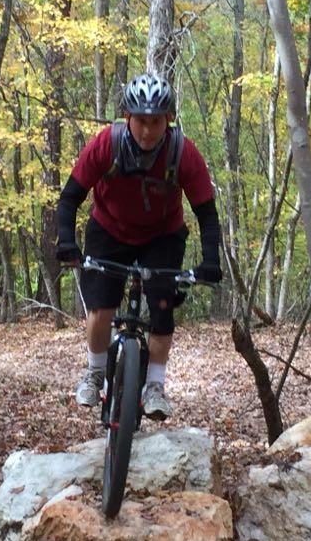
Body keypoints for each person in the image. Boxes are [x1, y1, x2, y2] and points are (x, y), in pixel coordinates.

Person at [55, 73, 222, 420]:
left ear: (169, 120)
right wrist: (67, 242)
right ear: (127, 117)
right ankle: (96, 372)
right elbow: (71, 196)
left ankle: (155, 385)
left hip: (162, 235)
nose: (147, 131)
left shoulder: (183, 153)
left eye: (156, 122)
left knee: (162, 306)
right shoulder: (107, 144)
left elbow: (206, 212)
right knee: (101, 308)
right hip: (108, 230)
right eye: (141, 121)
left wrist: (210, 260)